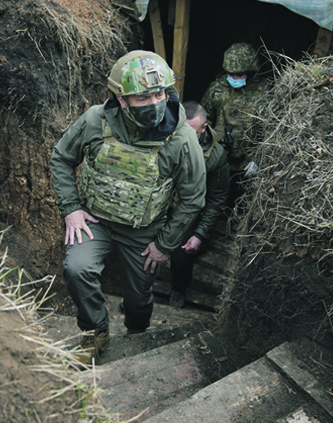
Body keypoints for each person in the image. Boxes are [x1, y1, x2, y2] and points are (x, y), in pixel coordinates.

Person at [50, 50, 207, 363]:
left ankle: (137, 333)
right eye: (141, 98)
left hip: (143, 233)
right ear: (121, 100)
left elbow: (193, 198)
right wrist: (70, 208)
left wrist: (164, 245)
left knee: (137, 299)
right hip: (96, 220)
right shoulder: (96, 119)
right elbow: (63, 158)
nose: (154, 104)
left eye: (159, 93)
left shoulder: (182, 138)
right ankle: (95, 333)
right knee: (76, 269)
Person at [168, 101, 230, 308]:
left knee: (181, 254)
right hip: (162, 205)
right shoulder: (164, 138)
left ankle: (178, 287)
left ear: (203, 129)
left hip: (189, 213)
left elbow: (216, 200)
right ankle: (138, 293)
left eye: (191, 133)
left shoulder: (215, 157)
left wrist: (200, 234)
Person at [201, 42, 269, 202]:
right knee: (214, 198)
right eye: (231, 74)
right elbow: (203, 123)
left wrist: (258, 159)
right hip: (219, 156)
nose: (234, 79)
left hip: (247, 160)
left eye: (239, 75)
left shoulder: (264, 93)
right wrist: (204, 153)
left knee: (241, 200)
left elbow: (269, 130)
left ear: (250, 72)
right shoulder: (217, 89)